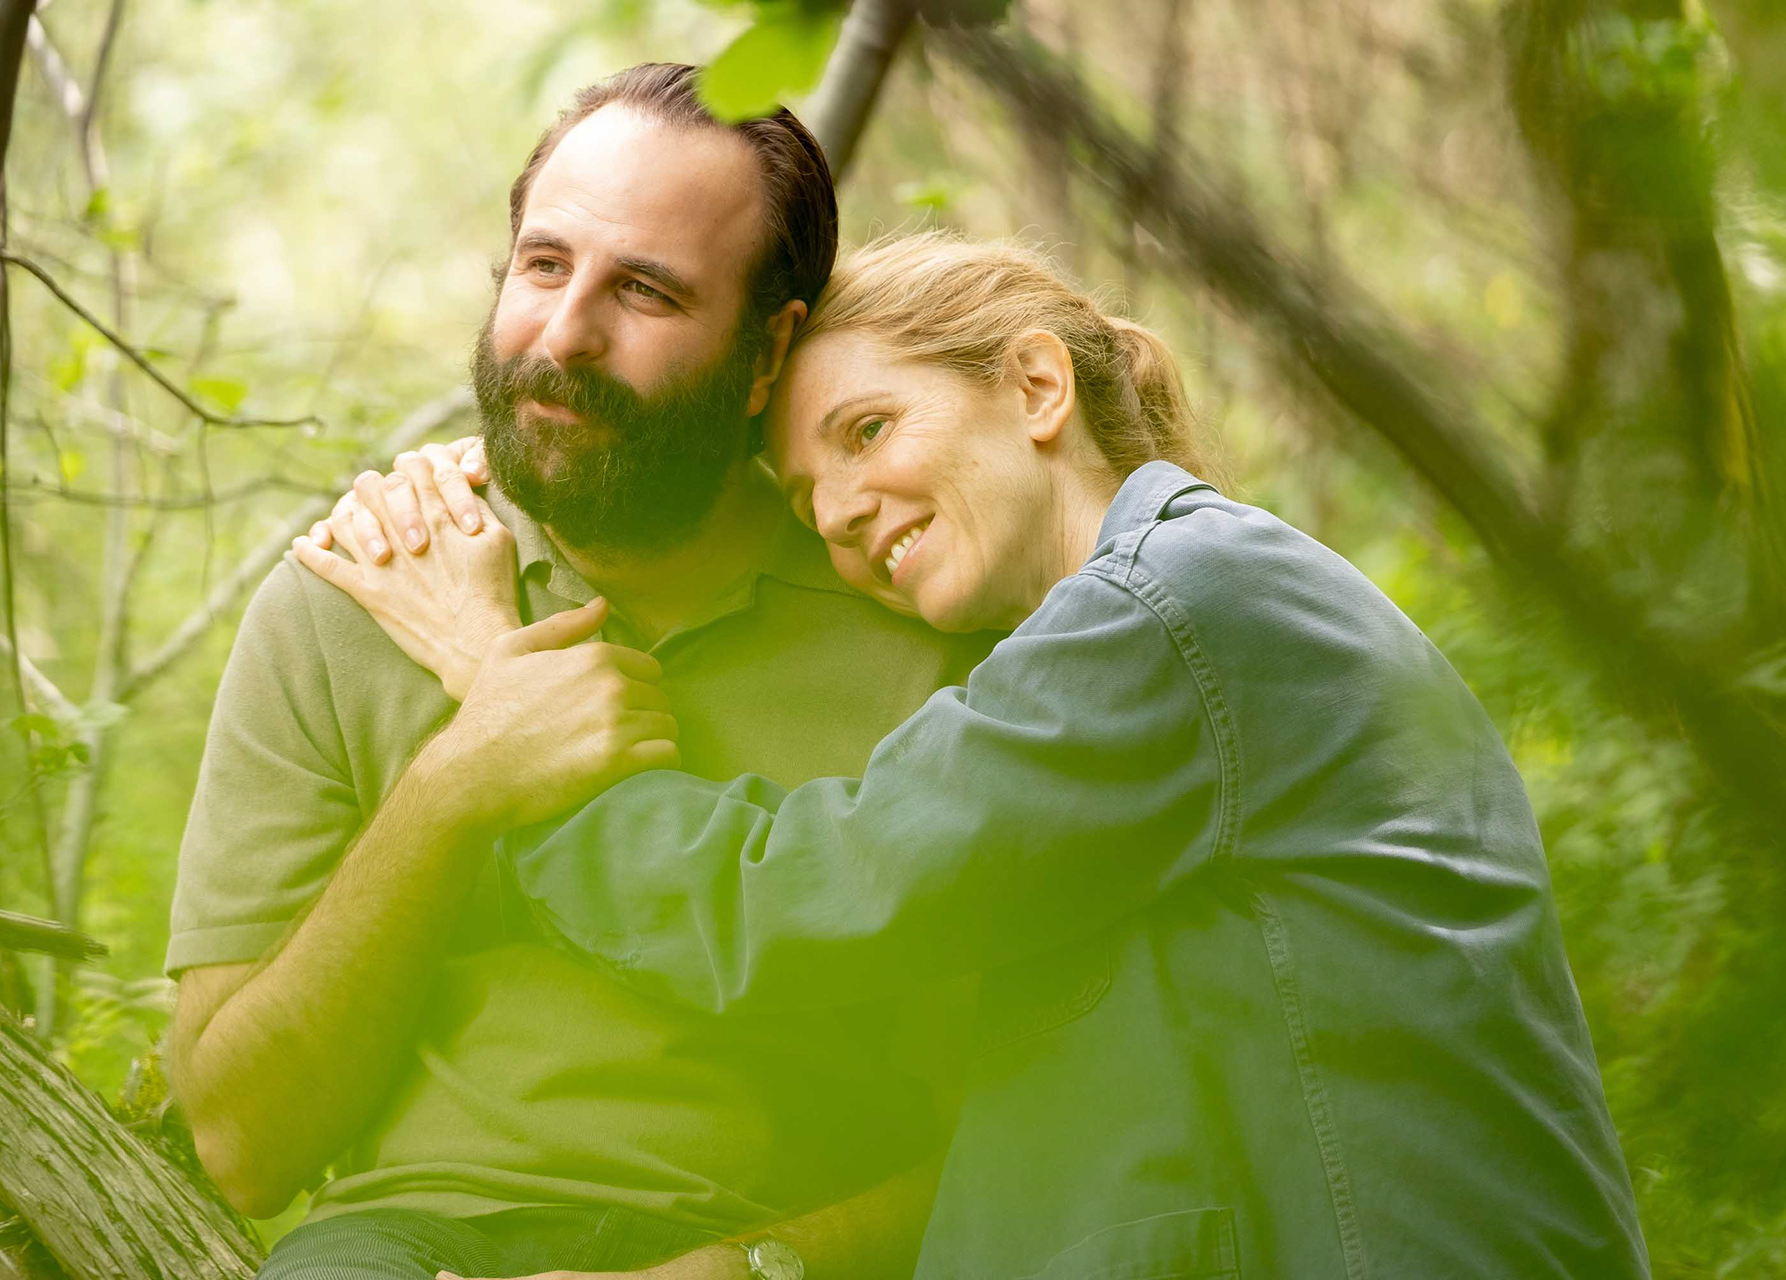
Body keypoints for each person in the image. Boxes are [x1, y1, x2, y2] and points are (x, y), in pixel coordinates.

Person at [314, 233, 1651, 1279]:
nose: (839, 509)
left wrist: (501, 692)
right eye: (800, 497)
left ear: (1034, 385)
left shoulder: (1174, 610)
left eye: (867, 432)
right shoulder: (1166, 622)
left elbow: (798, 899)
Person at [168, 66, 990, 1280]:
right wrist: (455, 783)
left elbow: (1027, 1118)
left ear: (770, 353)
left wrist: (748, 1267)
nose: (563, 338)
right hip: (405, 1245)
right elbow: (243, 1143)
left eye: (646, 291)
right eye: (544, 266)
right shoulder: (355, 589)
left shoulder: (916, 618)